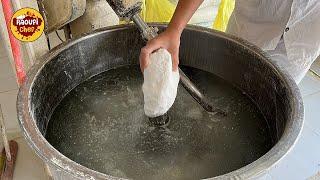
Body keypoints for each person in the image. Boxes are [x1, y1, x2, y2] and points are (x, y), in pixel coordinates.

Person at [139, 0, 320, 84]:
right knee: (226, 83)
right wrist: (174, 30)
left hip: (301, 44)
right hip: (249, 27)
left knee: (272, 107)